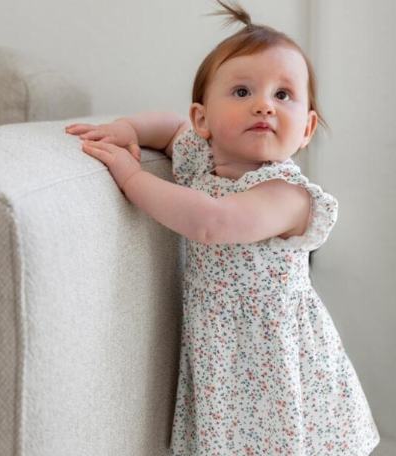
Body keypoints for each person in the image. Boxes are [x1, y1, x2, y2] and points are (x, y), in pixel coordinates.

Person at [65, 1, 381, 454]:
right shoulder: (199, 159)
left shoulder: (287, 194)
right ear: (203, 120)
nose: (263, 106)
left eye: (283, 95)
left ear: (307, 127)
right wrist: (125, 128)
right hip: (221, 347)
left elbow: (213, 223)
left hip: (273, 356)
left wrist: (132, 179)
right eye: (241, 92)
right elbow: (168, 126)